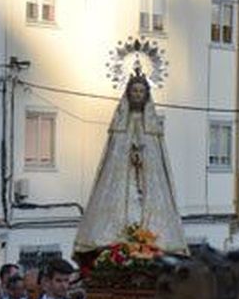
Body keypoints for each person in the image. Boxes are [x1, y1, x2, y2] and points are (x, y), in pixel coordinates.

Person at [73, 69, 190, 257]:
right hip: (121, 182)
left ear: (146, 95)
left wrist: (143, 162)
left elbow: (158, 163)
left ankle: (149, 237)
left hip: (147, 183)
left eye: (141, 91)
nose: (137, 94)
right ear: (128, 93)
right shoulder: (120, 124)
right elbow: (112, 158)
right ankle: (117, 239)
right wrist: (127, 158)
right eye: (134, 91)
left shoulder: (152, 127)